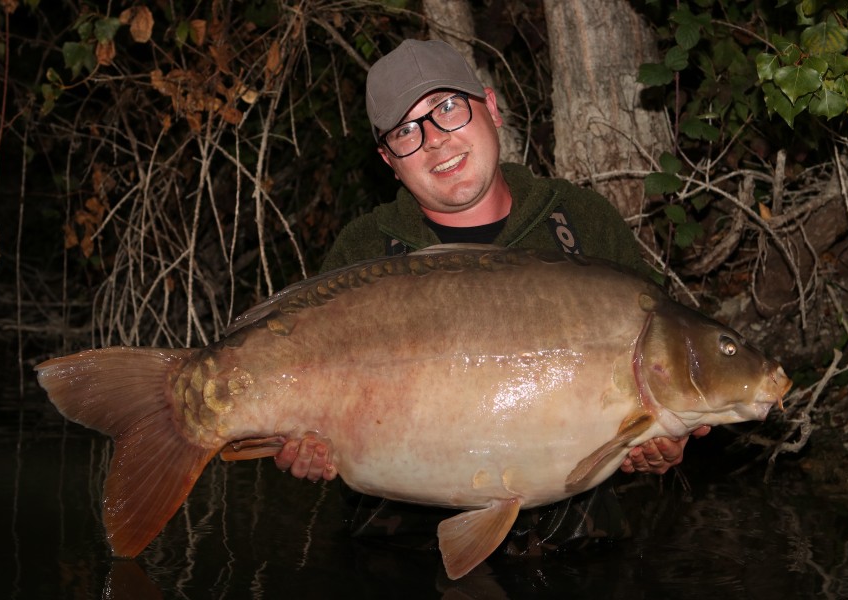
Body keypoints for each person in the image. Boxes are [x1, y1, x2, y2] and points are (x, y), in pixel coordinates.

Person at [273, 39, 710, 554]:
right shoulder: (364, 250)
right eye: (407, 131)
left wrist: (664, 440)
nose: (434, 140)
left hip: (574, 545)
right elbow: (301, 406)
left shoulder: (582, 220)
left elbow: (653, 384)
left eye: (447, 109)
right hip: (401, 550)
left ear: (492, 107)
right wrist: (297, 445)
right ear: (389, 160)